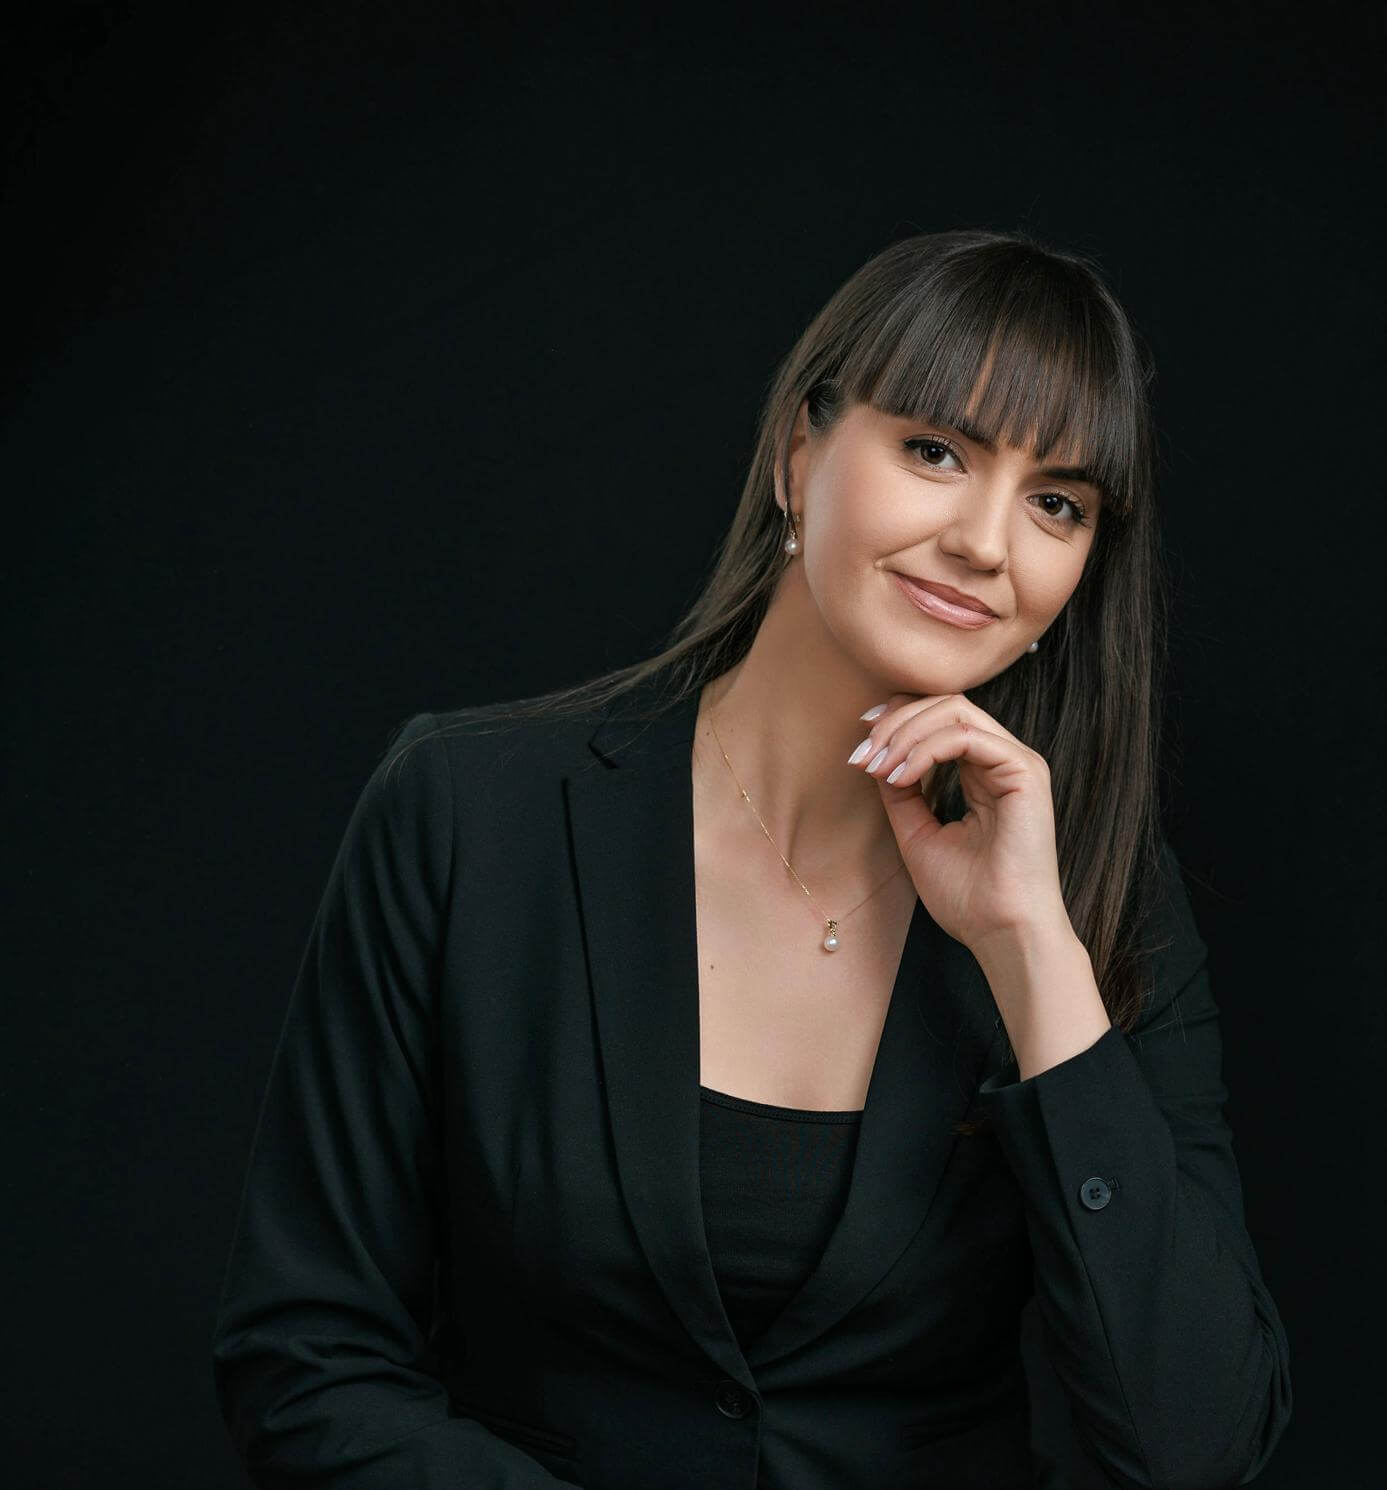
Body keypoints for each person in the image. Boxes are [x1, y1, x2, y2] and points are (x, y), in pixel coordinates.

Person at [212, 227, 1293, 1489]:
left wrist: (1030, 952)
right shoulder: (467, 810)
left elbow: (1194, 1444)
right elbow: (305, 1359)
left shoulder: (1086, 892)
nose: (987, 543)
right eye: (936, 450)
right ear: (797, 452)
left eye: (1057, 502)